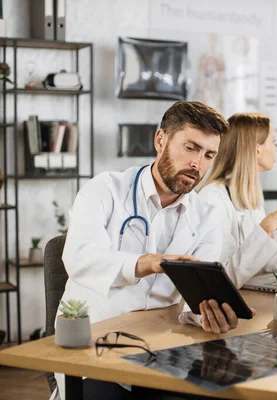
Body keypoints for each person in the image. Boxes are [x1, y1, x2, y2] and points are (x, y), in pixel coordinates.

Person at [56, 101, 251, 400]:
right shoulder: (105, 190)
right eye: (190, 147)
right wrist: (145, 263)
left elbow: (195, 299)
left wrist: (207, 315)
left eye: (208, 154)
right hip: (98, 342)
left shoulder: (208, 217)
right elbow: (79, 256)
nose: (198, 163)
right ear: (161, 140)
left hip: (164, 347)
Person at [197, 113, 277, 288]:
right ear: (257, 149)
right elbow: (221, 279)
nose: (275, 148)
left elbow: (267, 259)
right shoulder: (212, 198)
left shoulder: (249, 194)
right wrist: (267, 227)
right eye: (272, 142)